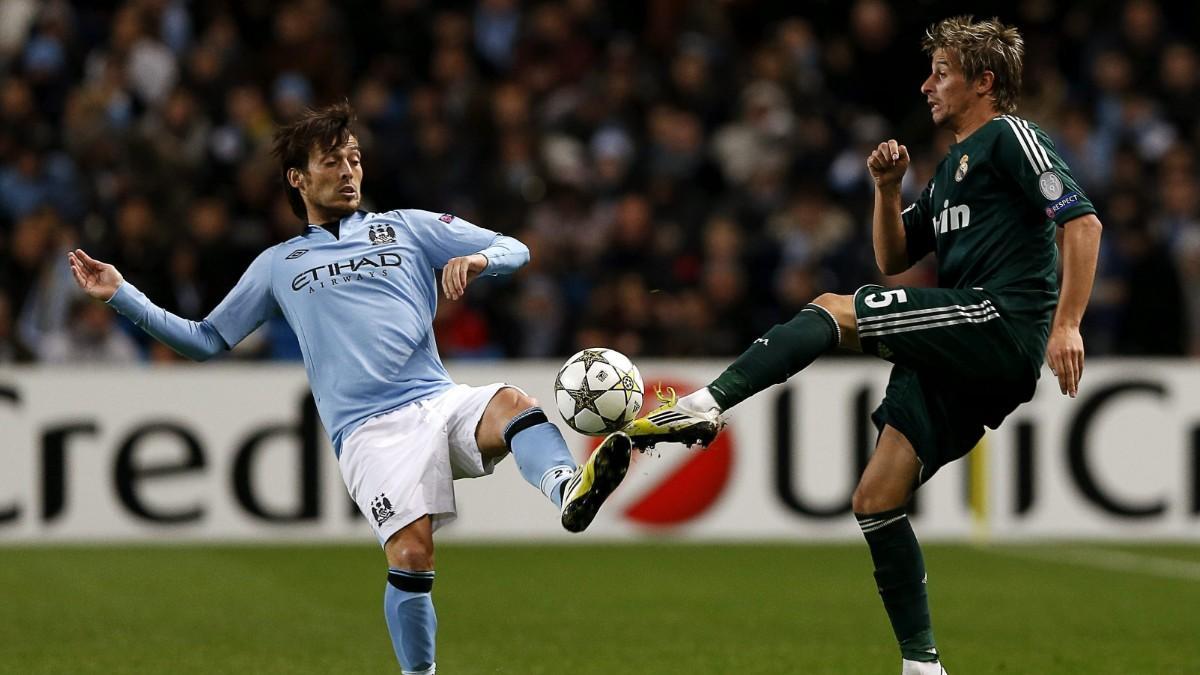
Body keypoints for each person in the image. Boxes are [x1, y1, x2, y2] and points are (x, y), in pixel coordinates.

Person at [67, 102, 633, 675]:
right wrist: (122, 295)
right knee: (412, 553)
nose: (348, 171)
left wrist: (481, 258)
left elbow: (518, 248)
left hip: (435, 399)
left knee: (513, 403)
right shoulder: (278, 264)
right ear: (298, 178)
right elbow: (206, 339)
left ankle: (569, 491)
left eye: (355, 159)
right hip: (368, 431)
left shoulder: (407, 226)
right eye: (332, 161)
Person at [625, 16, 1103, 675]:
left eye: (941, 72)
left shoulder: (1011, 138)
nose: (926, 84)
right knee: (875, 499)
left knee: (832, 309)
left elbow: (1081, 221)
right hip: (962, 348)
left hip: (998, 320)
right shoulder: (947, 173)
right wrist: (886, 191)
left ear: (983, 82)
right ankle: (923, 665)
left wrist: (1068, 322)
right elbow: (894, 256)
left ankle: (709, 401)